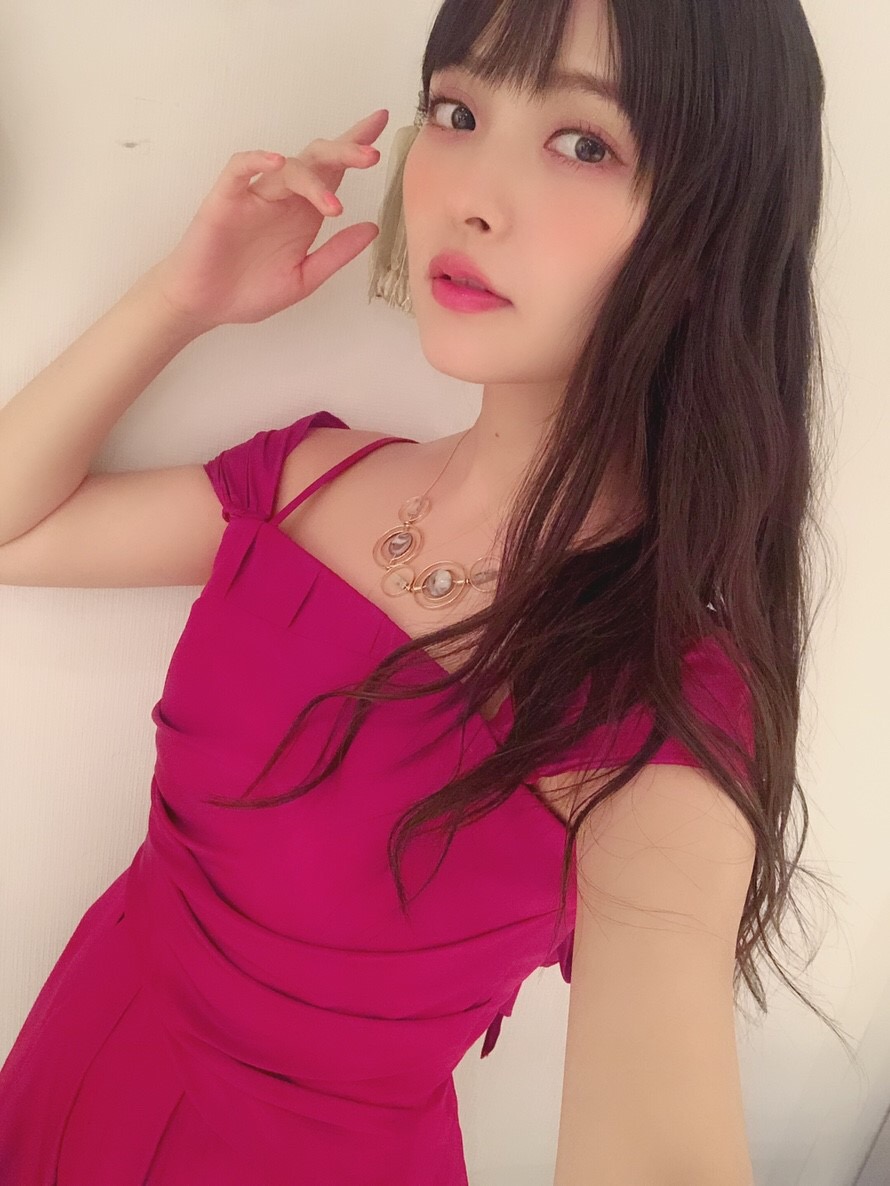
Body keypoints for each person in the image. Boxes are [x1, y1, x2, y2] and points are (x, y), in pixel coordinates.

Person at [0, 0, 850, 1182]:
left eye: (582, 141)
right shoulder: (312, 477)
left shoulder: (655, 697)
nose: (469, 194)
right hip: (63, 1070)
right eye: (455, 112)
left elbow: (661, 1138)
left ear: (713, 227)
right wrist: (181, 300)